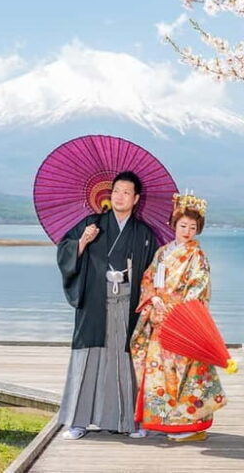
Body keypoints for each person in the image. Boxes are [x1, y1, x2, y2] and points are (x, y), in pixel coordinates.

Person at [56, 171, 157, 440]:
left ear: (136, 199)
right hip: (95, 301)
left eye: (126, 192)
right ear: (109, 195)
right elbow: (64, 252)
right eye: (116, 191)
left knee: (124, 359)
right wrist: (82, 242)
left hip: (128, 302)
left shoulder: (145, 233)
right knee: (88, 357)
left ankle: (128, 421)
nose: (120, 196)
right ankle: (78, 422)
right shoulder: (92, 224)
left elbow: (152, 272)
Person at [129, 191, 227, 442]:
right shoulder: (162, 253)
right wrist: (154, 298)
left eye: (193, 227)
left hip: (181, 322)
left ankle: (191, 425)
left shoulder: (197, 256)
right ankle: (160, 421)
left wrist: (177, 307)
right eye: (183, 225)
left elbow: (199, 287)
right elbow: (148, 279)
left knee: (186, 373)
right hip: (159, 319)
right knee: (157, 372)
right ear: (174, 225)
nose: (187, 231)